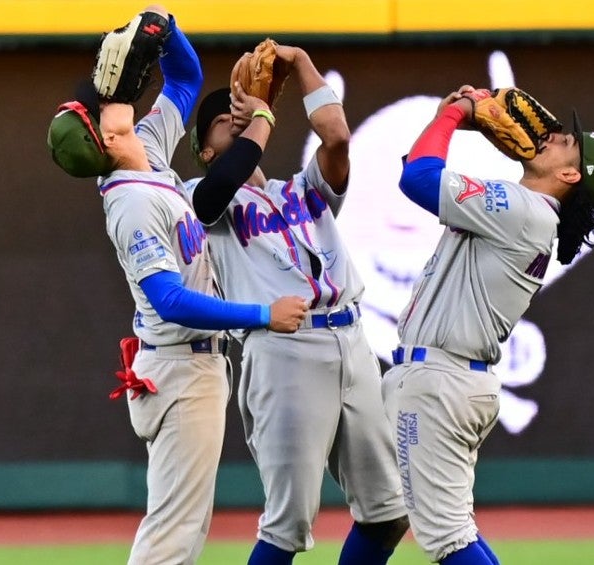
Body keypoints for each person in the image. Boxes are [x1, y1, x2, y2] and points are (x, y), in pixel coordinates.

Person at [47, 7, 309, 564]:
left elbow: (187, 78)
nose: (106, 94)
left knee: (182, 528)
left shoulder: (147, 149)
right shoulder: (131, 201)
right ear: (107, 136)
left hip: (185, 365)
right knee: (174, 533)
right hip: (179, 366)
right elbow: (169, 299)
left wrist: (165, 28)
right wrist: (262, 314)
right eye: (98, 109)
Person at [184, 44, 410, 565]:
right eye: (225, 121)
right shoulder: (201, 194)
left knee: (389, 513)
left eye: (242, 114)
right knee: (288, 524)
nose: (238, 123)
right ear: (206, 150)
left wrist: (302, 64)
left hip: (352, 343)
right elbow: (212, 195)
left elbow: (337, 136)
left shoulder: (300, 189)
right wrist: (258, 117)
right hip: (284, 350)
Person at [380, 85, 594, 564]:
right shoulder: (524, 211)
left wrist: (454, 117)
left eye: (567, 142)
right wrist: (443, 120)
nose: (553, 137)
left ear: (571, 173)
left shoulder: (523, 212)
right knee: (405, 518)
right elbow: (426, 167)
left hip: (438, 382)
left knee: (447, 539)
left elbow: (418, 179)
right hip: (448, 379)